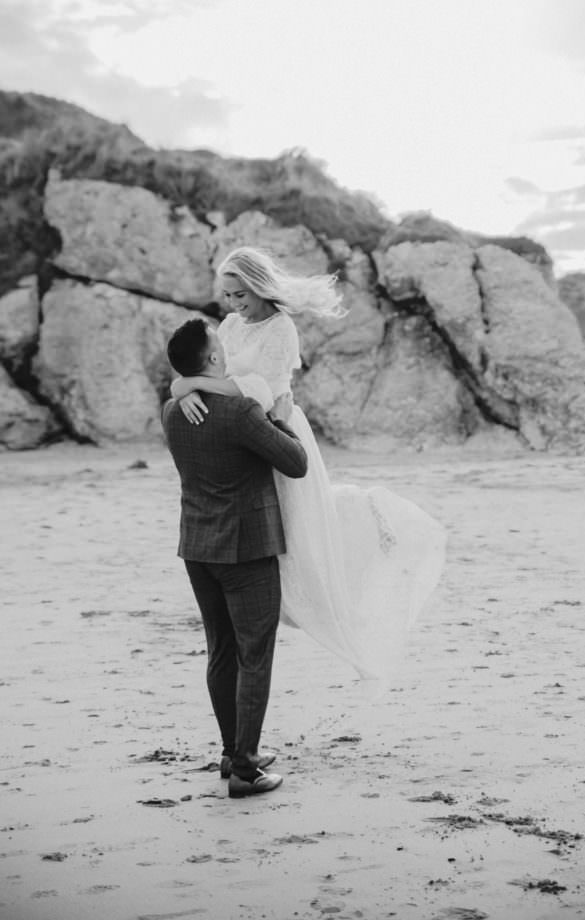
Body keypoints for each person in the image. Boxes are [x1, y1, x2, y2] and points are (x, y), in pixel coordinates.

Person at [170, 247, 447, 683]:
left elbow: (261, 391)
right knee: (272, 531)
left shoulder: (281, 329)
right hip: (241, 429)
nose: (234, 303)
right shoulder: (227, 325)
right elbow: (212, 371)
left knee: (301, 529)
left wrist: (191, 383)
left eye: (240, 293)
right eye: (227, 295)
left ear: (259, 286)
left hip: (275, 425)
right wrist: (184, 387)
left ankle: (367, 524)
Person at [162, 317, 308, 798]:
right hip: (246, 547)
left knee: (221, 652)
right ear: (212, 359)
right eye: (217, 346)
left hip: (198, 547)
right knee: (254, 657)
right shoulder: (241, 412)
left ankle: (232, 752)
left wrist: (186, 387)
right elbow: (296, 463)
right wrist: (277, 416)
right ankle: (246, 770)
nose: (225, 349)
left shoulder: (173, 410)